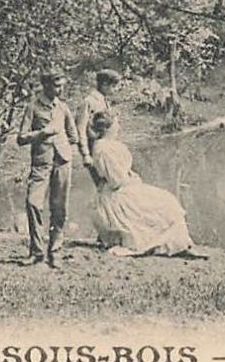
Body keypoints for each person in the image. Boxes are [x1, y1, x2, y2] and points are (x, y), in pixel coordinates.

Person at [86, 112, 196, 257]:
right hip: (117, 194)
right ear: (108, 128)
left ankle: (181, 244)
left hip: (126, 187)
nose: (118, 127)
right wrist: (131, 179)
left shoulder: (110, 144)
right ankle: (174, 245)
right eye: (116, 124)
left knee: (167, 200)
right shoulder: (102, 149)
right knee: (165, 203)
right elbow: (115, 181)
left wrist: (131, 177)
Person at [15, 70, 80, 267]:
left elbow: (73, 136)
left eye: (61, 85)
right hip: (41, 162)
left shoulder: (63, 108)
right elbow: (21, 138)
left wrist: (66, 148)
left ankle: (55, 252)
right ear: (45, 85)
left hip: (63, 161)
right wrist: (42, 134)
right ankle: (36, 252)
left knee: (59, 208)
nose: (59, 90)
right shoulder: (32, 107)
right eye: (55, 85)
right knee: (33, 203)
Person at [76, 68, 119, 166]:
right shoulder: (89, 102)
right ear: (104, 84)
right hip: (95, 148)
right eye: (113, 86)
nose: (115, 89)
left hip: (107, 147)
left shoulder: (104, 101)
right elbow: (81, 129)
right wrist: (85, 154)